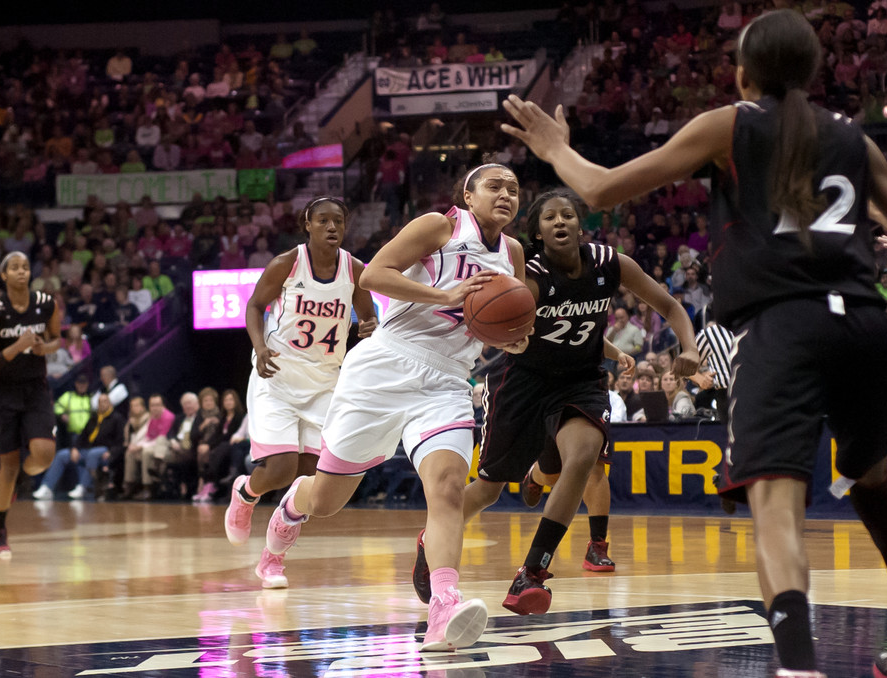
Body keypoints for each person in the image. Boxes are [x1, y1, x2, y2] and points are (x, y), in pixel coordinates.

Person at [502, 10, 887, 677]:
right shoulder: (853, 138)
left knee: (776, 504)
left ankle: (798, 666)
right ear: (811, 71)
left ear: (744, 73)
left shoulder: (734, 122)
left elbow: (600, 187)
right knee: (872, 485)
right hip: (865, 326)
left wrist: (552, 149)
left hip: (785, 325)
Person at [262, 163, 527, 652]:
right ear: (468, 196)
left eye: (513, 188)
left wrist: (512, 338)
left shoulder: (513, 253)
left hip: (447, 379)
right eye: (494, 186)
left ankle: (444, 603)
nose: (506, 194)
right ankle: (293, 505)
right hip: (386, 365)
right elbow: (374, 277)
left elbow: (508, 318)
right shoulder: (439, 226)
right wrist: (441, 294)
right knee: (327, 501)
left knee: (448, 488)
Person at [447, 188, 698, 615]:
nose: (560, 222)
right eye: (549, 218)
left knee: (584, 458)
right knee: (489, 489)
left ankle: (532, 573)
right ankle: (434, 536)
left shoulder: (610, 263)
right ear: (538, 232)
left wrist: (688, 348)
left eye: (567, 215)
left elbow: (670, 305)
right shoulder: (528, 275)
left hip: (580, 381)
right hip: (524, 380)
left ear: (581, 225)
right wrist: (509, 332)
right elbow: (500, 324)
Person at [223, 197, 377, 587]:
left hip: (325, 382)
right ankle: (245, 492)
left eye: (338, 221)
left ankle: (273, 558)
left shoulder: (355, 269)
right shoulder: (287, 263)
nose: (331, 227)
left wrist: (369, 328)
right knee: (280, 468)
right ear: (307, 224)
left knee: (310, 481)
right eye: (323, 220)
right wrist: (259, 348)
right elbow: (255, 306)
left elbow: (370, 317)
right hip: (278, 374)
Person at [0, 252, 63, 557]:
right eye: (14, 268)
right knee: (8, 465)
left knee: (45, 454)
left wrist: (43, 348)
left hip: (35, 390)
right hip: (1, 394)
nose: (21, 271)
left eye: (25, 267)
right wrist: (17, 346)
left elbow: (57, 340)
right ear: (4, 275)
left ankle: (22, 480)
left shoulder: (45, 303)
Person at [32, 392, 126, 500]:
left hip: (105, 452)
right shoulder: (93, 418)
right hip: (89, 451)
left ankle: (83, 487)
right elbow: (82, 437)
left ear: (111, 404)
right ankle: (47, 487)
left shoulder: (117, 419)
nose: (103, 404)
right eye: (100, 402)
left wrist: (111, 453)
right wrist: (75, 449)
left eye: (105, 401)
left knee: (93, 454)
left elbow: (120, 441)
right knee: (62, 455)